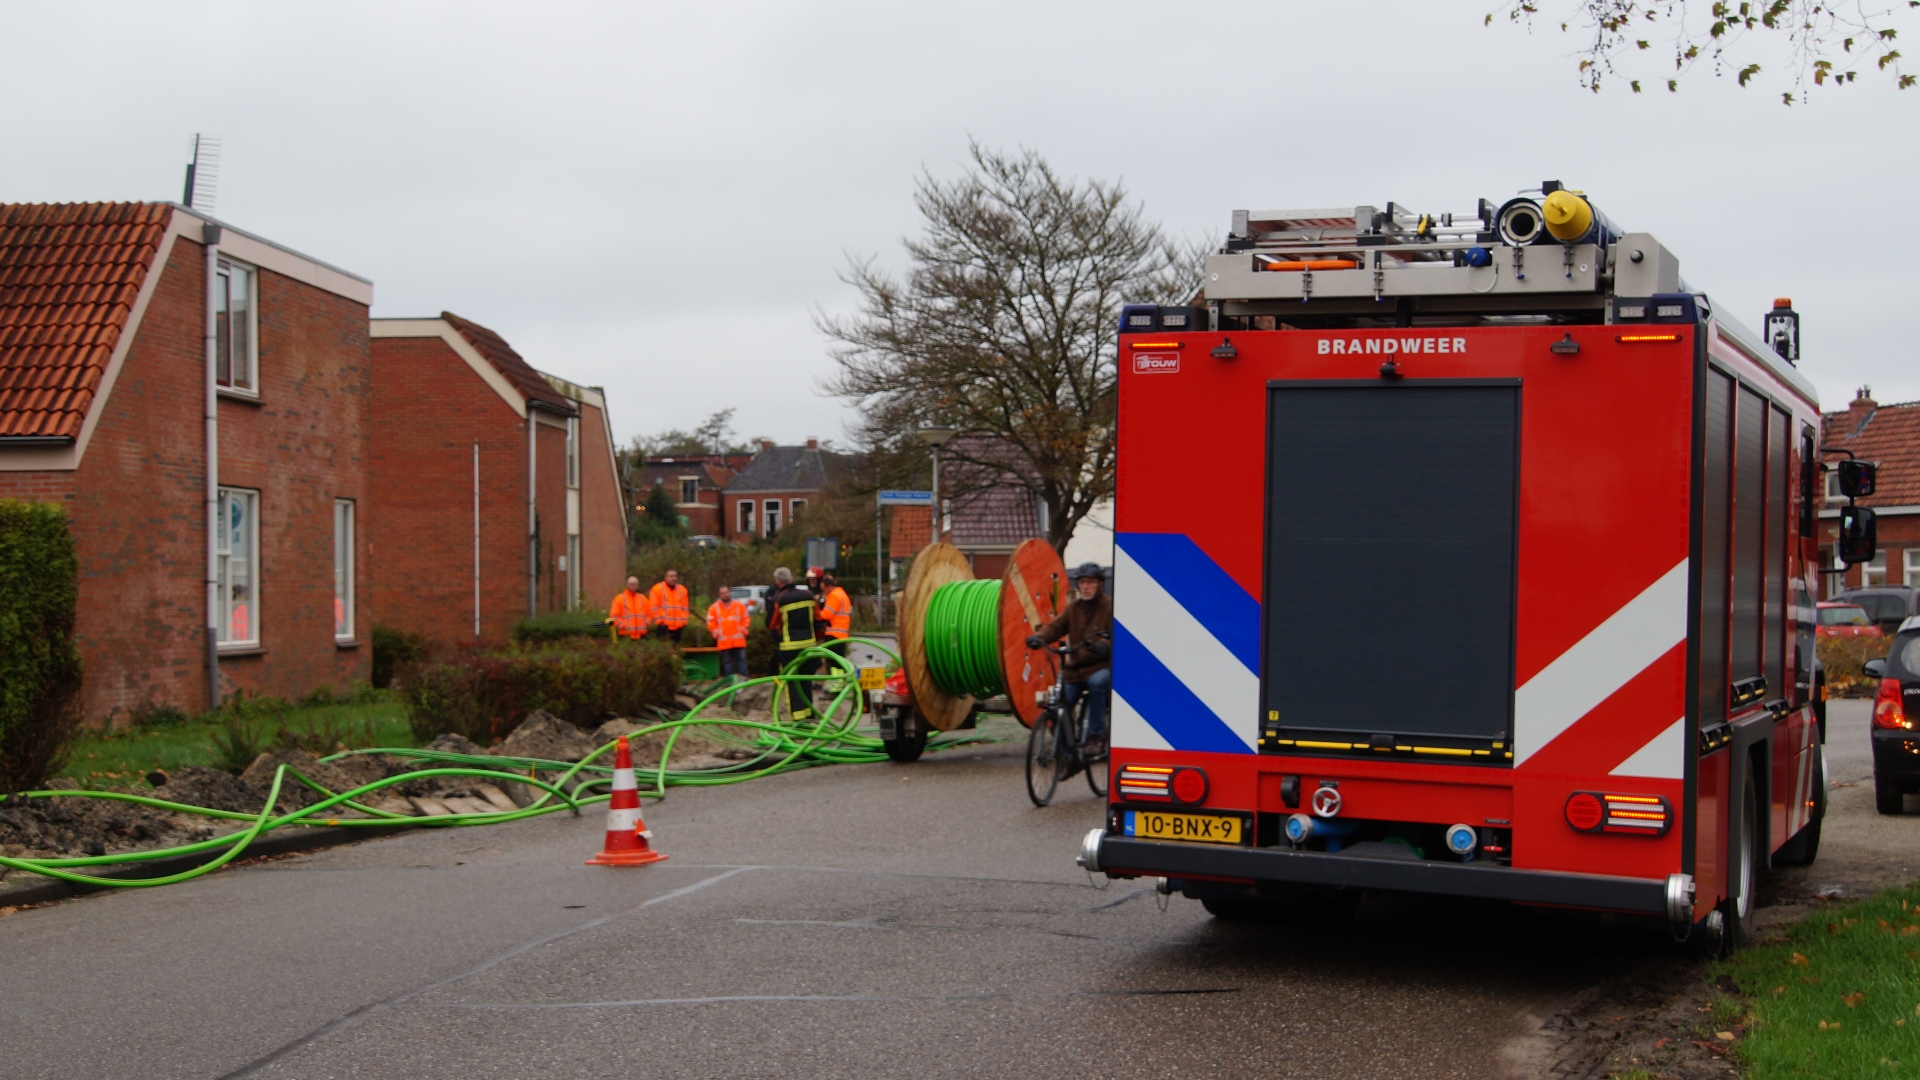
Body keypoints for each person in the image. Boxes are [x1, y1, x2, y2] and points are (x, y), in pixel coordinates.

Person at [1026, 562, 1112, 746]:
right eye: (1082, 583)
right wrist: (1039, 638)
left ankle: (1095, 736)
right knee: (1061, 702)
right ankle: (1065, 754)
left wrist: (1105, 645)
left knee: (1097, 684)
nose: (1085, 587)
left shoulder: (1110, 607)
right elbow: (1056, 626)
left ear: (1100, 584)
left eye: (1090, 582)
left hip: (1101, 666)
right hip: (1076, 669)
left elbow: (1118, 637)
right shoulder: (1074, 608)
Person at [767, 566, 820, 720]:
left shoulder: (780, 599)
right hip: (809, 646)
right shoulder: (809, 595)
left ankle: (798, 718)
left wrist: (778, 634)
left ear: (778, 581)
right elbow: (818, 618)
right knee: (806, 680)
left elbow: (772, 624)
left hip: (789, 648)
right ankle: (809, 714)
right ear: (790, 579)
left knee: (792, 682)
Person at [706, 585, 750, 682]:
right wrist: (716, 633)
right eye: (723, 593)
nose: (725, 595)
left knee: (741, 660)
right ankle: (729, 681)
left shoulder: (739, 605)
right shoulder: (714, 607)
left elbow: (746, 618)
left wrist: (743, 629)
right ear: (719, 594)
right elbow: (710, 622)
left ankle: (744, 679)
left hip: (739, 640)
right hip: (724, 640)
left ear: (729, 593)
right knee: (727, 662)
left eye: (726, 592)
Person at [649, 569, 690, 644]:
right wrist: (660, 622)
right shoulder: (657, 589)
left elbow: (685, 608)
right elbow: (653, 608)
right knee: (664, 651)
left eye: (675, 576)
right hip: (664, 627)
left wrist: (683, 622)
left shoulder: (682, 590)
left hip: (678, 627)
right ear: (665, 577)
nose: (674, 578)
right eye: (671, 576)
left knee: (676, 651)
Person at [609, 576, 651, 641]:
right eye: (632, 584)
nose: (634, 586)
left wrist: (646, 623)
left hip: (641, 636)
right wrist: (623, 625)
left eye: (636, 584)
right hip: (626, 635)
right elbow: (614, 616)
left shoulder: (643, 598)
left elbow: (649, 614)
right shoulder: (619, 599)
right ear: (627, 585)